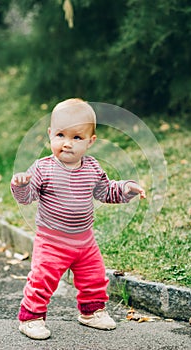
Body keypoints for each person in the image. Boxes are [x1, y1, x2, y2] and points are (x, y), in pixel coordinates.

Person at [11, 98, 146, 340]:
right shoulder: (43, 168)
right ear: (50, 134)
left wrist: (126, 188)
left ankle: (91, 312)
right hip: (51, 241)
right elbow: (27, 197)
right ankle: (31, 317)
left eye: (76, 137)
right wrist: (21, 185)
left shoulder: (93, 168)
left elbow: (106, 191)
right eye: (61, 135)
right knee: (42, 279)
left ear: (90, 141)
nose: (67, 143)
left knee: (94, 277)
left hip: (85, 241)